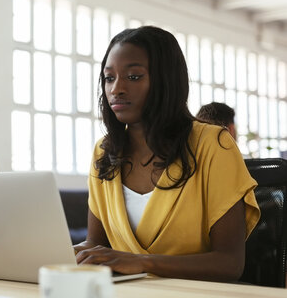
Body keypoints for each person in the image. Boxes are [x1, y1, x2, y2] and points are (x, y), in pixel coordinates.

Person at [74, 26, 259, 282]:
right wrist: (59, 254)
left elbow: (229, 263)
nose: (117, 89)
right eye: (109, 78)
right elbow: (96, 244)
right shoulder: (104, 151)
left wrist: (142, 263)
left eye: (134, 77)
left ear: (166, 80)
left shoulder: (213, 144)